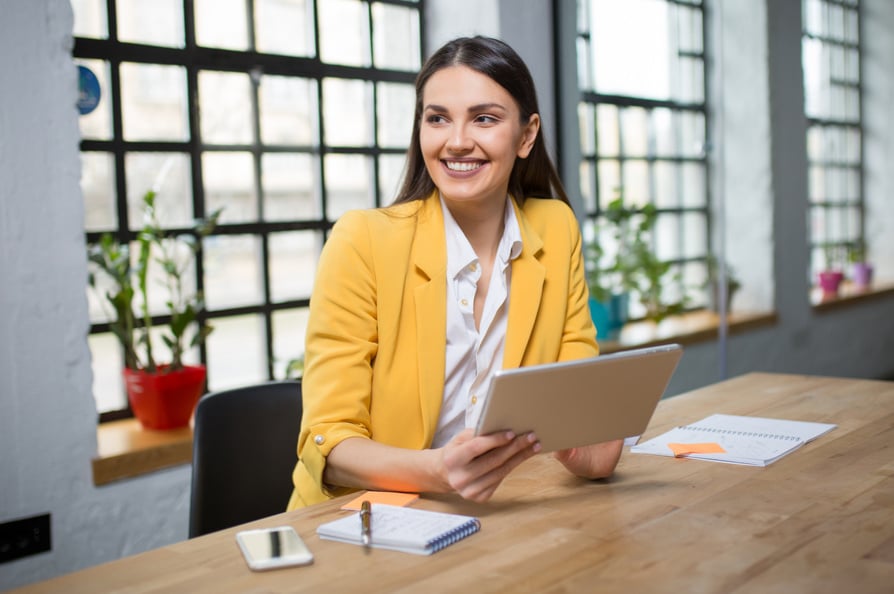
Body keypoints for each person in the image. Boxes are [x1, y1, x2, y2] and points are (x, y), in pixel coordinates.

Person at [287, 36, 623, 510]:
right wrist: (438, 471)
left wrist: (585, 444)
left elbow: (577, 408)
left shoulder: (556, 229)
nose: (457, 140)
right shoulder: (363, 241)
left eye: (484, 118)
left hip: (496, 516)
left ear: (526, 136)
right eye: (437, 118)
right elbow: (328, 442)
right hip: (360, 519)